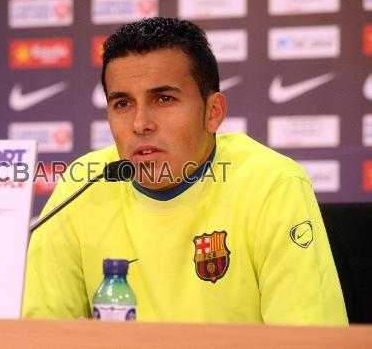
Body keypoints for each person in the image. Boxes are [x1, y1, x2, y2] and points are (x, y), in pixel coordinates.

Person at [22, 17, 348, 325]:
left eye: (164, 98)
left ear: (213, 112)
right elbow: (36, 335)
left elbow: (309, 338)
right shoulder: (84, 184)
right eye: (122, 103)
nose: (140, 124)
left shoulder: (270, 184)